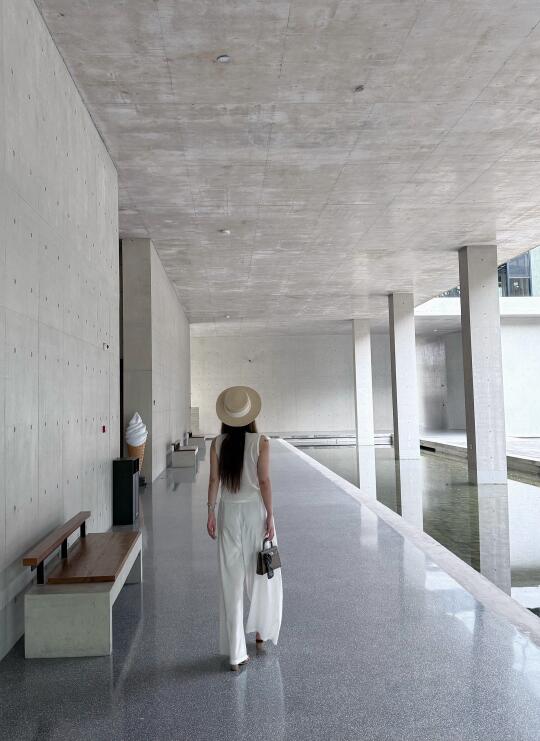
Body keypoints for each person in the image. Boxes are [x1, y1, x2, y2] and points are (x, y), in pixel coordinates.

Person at [207, 386, 283, 671]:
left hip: (228, 512)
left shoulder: (217, 443)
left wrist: (210, 511)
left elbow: (214, 480)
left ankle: (236, 654)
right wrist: (270, 515)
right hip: (254, 512)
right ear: (251, 415)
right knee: (262, 572)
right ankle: (262, 632)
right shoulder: (261, 442)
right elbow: (264, 482)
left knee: (232, 581)